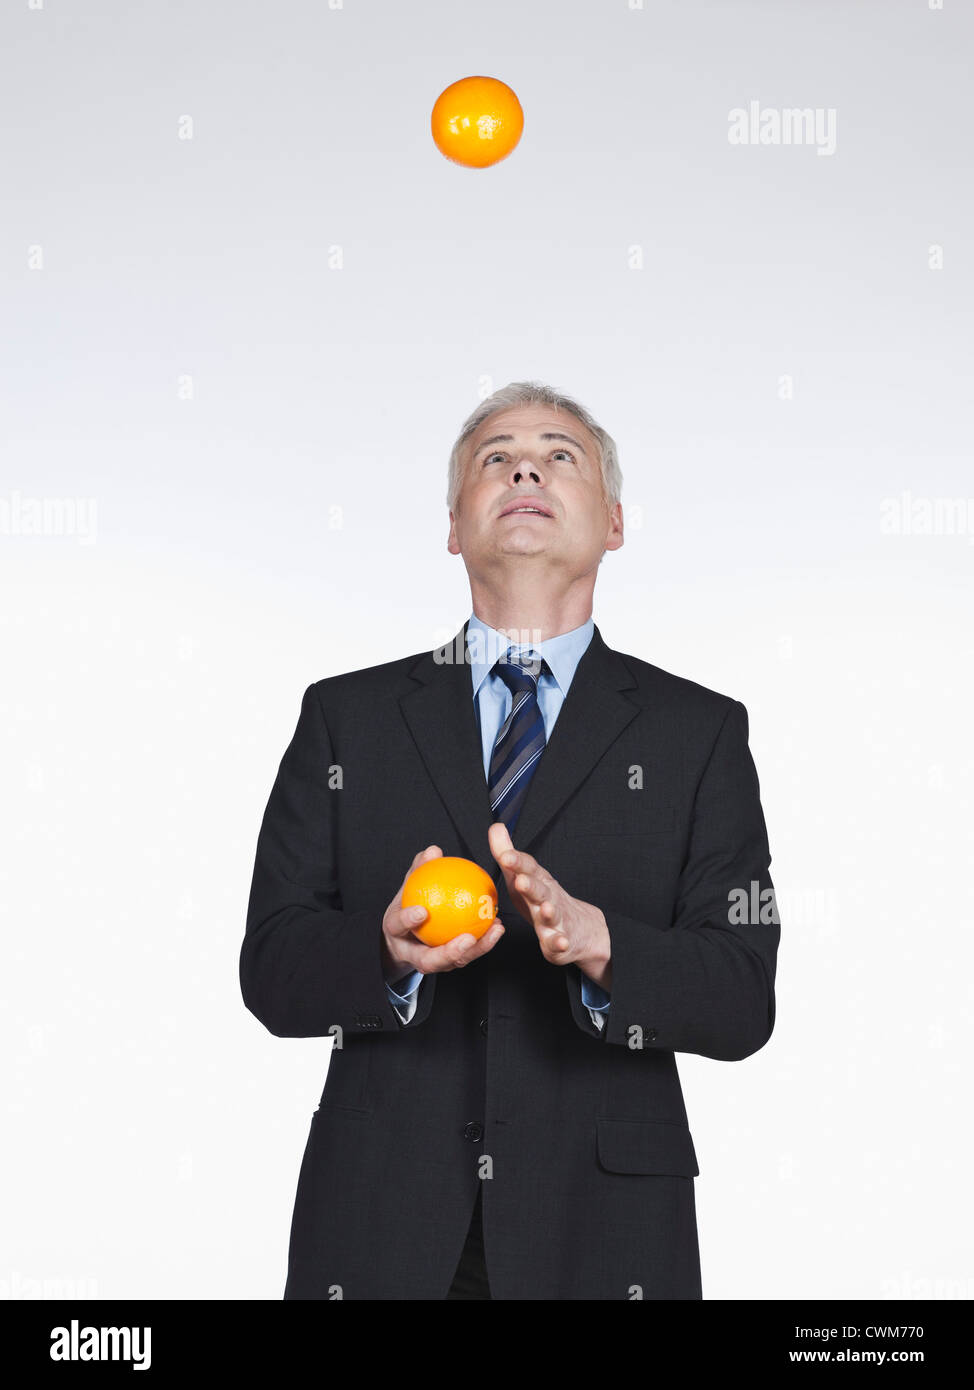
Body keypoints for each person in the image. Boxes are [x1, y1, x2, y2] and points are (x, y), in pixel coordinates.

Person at [240, 380, 780, 1300]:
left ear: (614, 523)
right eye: (495, 456)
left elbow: (742, 997)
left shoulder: (700, 733)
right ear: (454, 526)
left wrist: (601, 945)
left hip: (606, 1235)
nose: (525, 464)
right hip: (378, 1225)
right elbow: (272, 966)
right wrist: (386, 952)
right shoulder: (345, 719)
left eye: (558, 453)